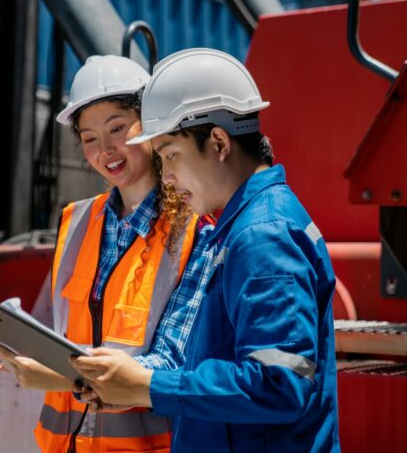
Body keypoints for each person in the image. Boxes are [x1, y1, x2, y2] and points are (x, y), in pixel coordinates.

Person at [71, 48, 341, 452]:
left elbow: (280, 384)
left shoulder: (263, 236)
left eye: (171, 155)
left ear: (218, 142)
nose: (169, 175)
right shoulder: (244, 227)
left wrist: (148, 385)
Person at [0, 54, 215, 453]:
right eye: (90, 138)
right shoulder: (75, 222)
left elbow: (174, 363)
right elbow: (52, 328)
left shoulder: (193, 229)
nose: (106, 149)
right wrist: (14, 347)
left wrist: (61, 376)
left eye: (117, 129)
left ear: (150, 126)